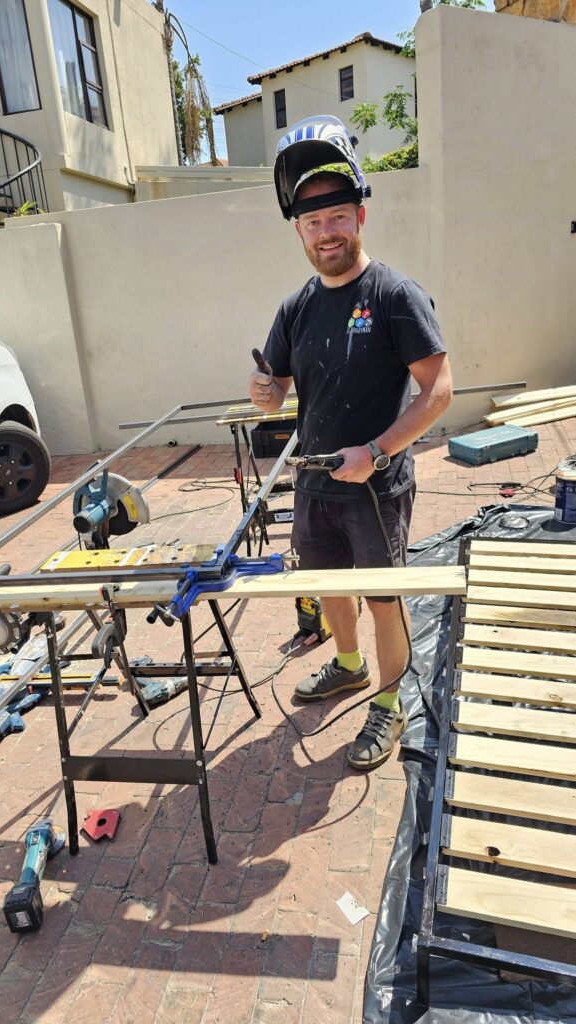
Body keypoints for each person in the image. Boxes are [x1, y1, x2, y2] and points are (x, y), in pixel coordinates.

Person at [249, 116, 452, 770]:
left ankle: (389, 705)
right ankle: (346, 664)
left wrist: (379, 452)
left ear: (359, 218)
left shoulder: (394, 295)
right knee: (327, 583)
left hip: (374, 484)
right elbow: (278, 385)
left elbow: (439, 390)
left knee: (382, 596)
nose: (326, 231)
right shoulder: (294, 306)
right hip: (312, 479)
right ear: (298, 231)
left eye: (336, 216)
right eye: (313, 223)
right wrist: (266, 393)